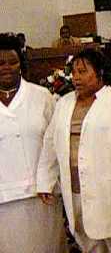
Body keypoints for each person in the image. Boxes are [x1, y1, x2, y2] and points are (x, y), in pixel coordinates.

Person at [37, 49, 111, 252]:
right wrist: (45, 181)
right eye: (74, 72)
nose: (76, 78)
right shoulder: (64, 104)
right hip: (78, 194)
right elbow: (49, 144)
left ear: (100, 72)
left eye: (83, 71)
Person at [0, 33, 66, 252]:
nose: (6, 67)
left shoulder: (42, 97)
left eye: (12, 62)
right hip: (4, 200)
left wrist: (50, 181)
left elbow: (56, 144)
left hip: (41, 196)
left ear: (22, 64)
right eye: (0, 63)